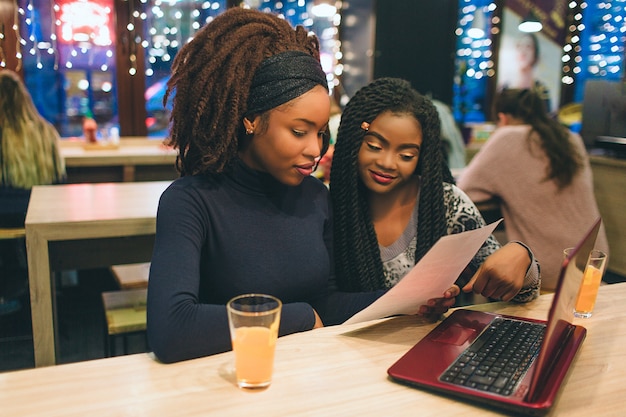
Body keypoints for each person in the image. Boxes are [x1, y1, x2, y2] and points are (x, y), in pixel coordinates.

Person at [147, 8, 385, 364]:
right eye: (299, 131)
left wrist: (406, 300)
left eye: (320, 133)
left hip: (303, 381)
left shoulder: (316, 197)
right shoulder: (191, 202)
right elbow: (172, 329)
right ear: (251, 121)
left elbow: (327, 301)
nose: (315, 150)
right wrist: (299, 317)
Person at [330, 78, 540, 310]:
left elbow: (521, 293)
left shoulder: (448, 204)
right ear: (354, 140)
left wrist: (522, 257)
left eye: (406, 155)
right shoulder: (328, 207)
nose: (388, 163)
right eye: (375, 147)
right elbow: (323, 301)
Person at [457, 88, 609, 291]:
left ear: (502, 117)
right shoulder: (570, 137)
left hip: (550, 267)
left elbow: (463, 192)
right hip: (594, 259)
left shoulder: (507, 137)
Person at [0, 69, 66, 314]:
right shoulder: (45, 131)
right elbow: (59, 182)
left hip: (5, 216)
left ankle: (11, 285)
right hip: (40, 213)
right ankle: (30, 282)